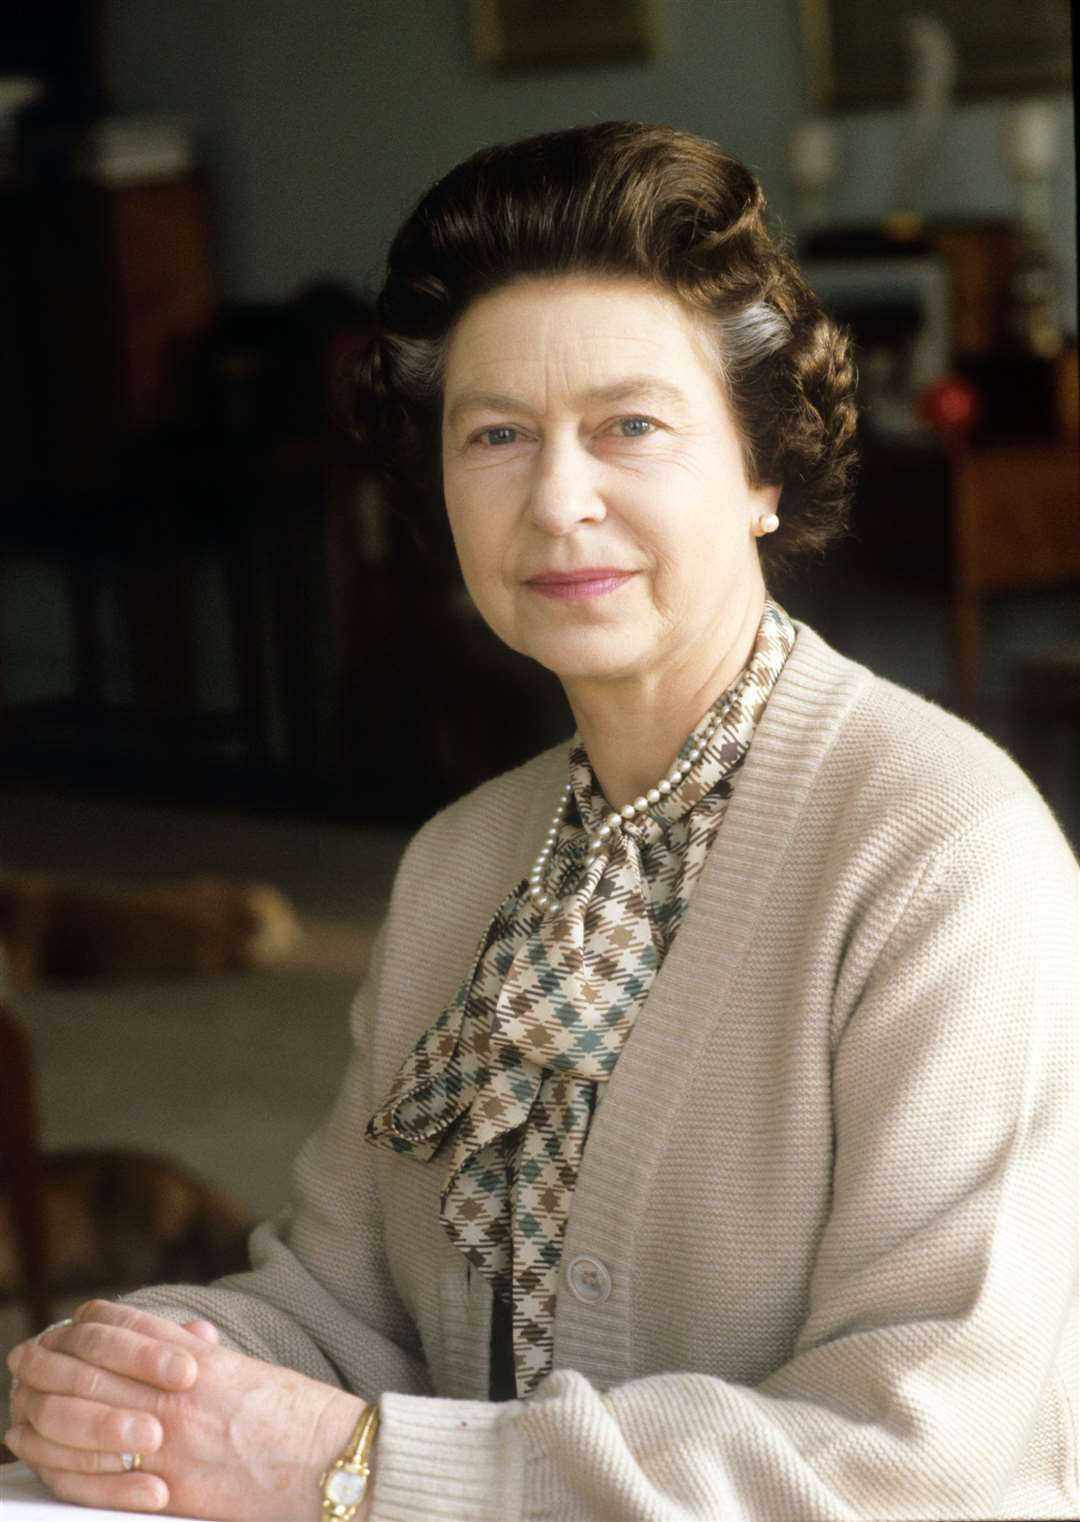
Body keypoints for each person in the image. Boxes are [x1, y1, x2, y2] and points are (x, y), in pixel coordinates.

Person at [5, 121, 1077, 1522]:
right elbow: (345, 1308)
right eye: (497, 434)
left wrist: (357, 1468)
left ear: (763, 472)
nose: (558, 499)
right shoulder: (459, 863)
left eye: (629, 426)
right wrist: (153, 1374)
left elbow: (927, 1456)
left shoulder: (945, 858)